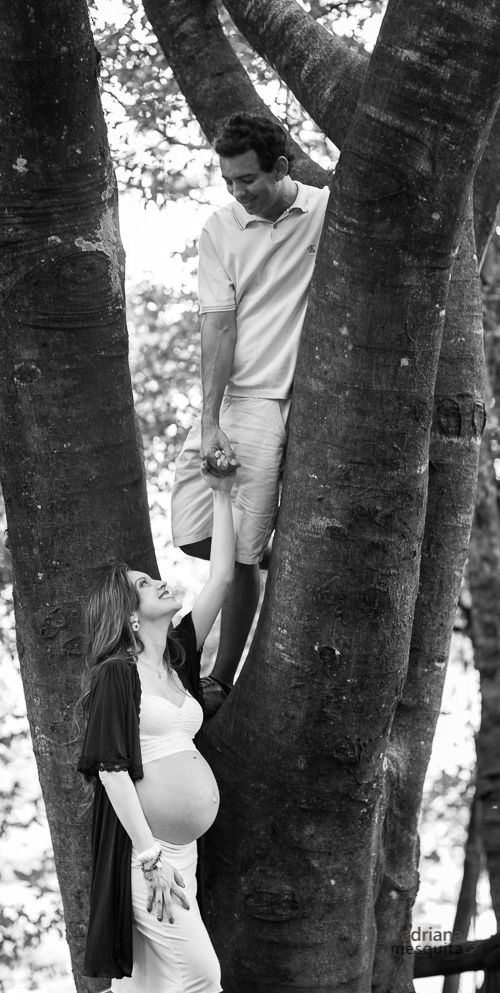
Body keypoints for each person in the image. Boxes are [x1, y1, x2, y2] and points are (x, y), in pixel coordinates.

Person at [171, 112, 330, 707]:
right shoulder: (220, 228)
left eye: (248, 181)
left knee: (235, 554)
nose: (238, 193)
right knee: (193, 528)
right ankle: (275, 547)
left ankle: (220, 675)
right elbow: (218, 323)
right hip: (225, 400)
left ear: (282, 168)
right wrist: (209, 419)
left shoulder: (323, 211)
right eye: (228, 181)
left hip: (269, 401)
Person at [77, 467, 235, 993]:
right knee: (201, 978)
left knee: (157, 987)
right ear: (127, 614)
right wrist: (150, 860)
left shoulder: (176, 659)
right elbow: (111, 769)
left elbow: (222, 580)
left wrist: (222, 493)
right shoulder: (117, 674)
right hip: (146, 856)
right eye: (143, 584)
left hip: (180, 854)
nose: (159, 580)